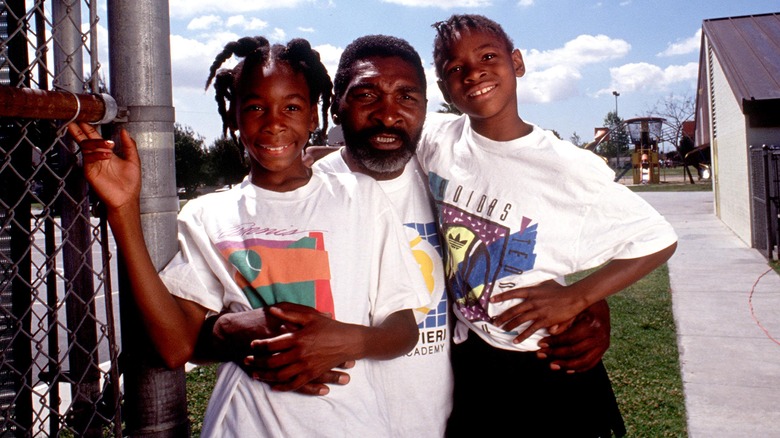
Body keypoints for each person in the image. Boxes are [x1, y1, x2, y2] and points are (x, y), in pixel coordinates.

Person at [68, 36, 431, 437]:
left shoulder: (362, 197)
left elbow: (403, 329)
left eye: (291, 107)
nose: (274, 122)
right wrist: (123, 211)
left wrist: (347, 341)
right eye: (256, 107)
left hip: (353, 425)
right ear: (235, 117)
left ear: (314, 116)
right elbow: (174, 347)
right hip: (242, 426)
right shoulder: (208, 215)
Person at [419, 14, 678, 437]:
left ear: (516, 62)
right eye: (455, 69)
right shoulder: (437, 140)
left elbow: (657, 239)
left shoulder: (565, 166)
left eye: (488, 56)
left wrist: (580, 297)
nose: (474, 73)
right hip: (472, 356)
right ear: (444, 87)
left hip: (541, 360)